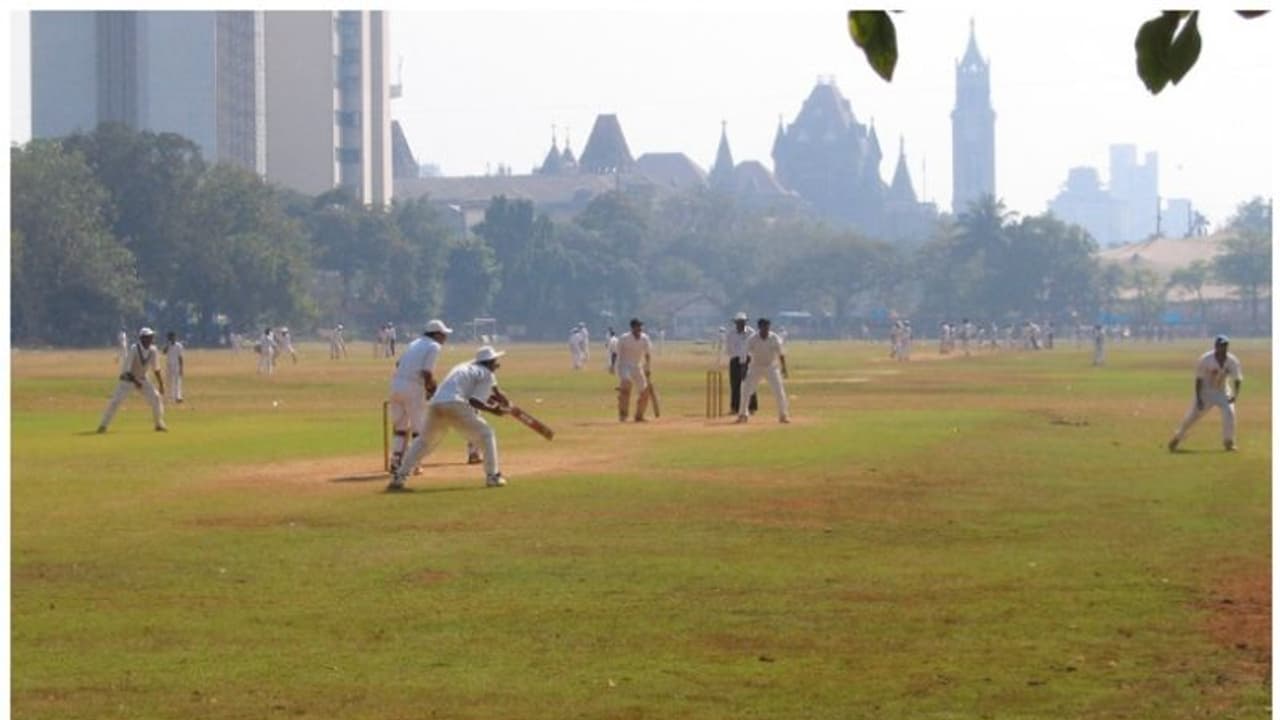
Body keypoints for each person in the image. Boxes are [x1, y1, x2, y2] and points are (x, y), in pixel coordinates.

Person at [388, 345, 511, 491]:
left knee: (424, 441)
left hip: (436, 404)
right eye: (495, 361)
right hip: (455, 404)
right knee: (486, 434)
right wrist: (495, 410)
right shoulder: (486, 374)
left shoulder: (464, 367)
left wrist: (505, 402)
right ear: (489, 362)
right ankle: (493, 476)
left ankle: (399, 477)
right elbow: (475, 402)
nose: (497, 365)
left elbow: (494, 392)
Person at [387, 319, 452, 475]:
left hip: (396, 385)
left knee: (400, 426)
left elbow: (398, 364)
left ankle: (396, 462)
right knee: (419, 428)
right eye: (444, 334)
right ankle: (414, 463)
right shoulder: (433, 346)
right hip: (413, 387)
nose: (445, 338)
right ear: (436, 334)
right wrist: (432, 390)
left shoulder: (414, 343)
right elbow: (427, 372)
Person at [1168, 336, 1243, 452]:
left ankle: (1229, 442)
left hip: (1223, 391)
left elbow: (1238, 379)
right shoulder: (1206, 359)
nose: (1223, 348)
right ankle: (1177, 438)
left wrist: (1235, 395)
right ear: (1216, 347)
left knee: (1230, 413)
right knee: (1192, 417)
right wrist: (1199, 398)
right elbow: (1199, 379)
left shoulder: (1232, 360)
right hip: (1205, 392)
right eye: (1221, 346)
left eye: (1225, 346)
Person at [97, 327, 167, 433]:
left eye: (151, 337)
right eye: (148, 337)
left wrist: (161, 384)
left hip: (142, 379)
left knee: (156, 398)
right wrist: (135, 381)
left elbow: (156, 368)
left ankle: (159, 424)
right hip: (127, 380)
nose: (150, 339)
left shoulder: (153, 350)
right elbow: (126, 370)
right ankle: (103, 425)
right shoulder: (134, 349)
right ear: (142, 338)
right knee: (115, 402)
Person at [736, 317, 790, 424]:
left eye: (767, 327)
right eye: (764, 327)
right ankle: (743, 414)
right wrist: (743, 368)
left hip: (771, 367)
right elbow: (744, 353)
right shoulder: (752, 338)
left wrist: (784, 368)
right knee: (746, 390)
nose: (766, 329)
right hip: (755, 366)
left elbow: (781, 353)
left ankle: (783, 415)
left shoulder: (774, 337)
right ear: (759, 327)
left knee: (779, 391)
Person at [614, 318, 653, 422]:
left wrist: (647, 368)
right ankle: (623, 415)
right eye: (637, 326)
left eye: (640, 326)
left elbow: (647, 354)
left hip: (637, 366)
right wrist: (612, 366)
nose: (640, 328)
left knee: (644, 391)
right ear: (632, 327)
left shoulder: (645, 338)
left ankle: (639, 416)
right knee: (626, 385)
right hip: (624, 365)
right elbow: (615, 352)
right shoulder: (624, 338)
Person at [724, 312, 758, 415]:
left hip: (748, 360)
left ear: (745, 322)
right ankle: (735, 407)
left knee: (750, 384)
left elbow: (754, 347)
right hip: (735, 359)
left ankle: (752, 407)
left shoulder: (751, 333)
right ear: (735, 323)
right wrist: (738, 356)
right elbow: (729, 349)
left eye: (742, 322)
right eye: (738, 323)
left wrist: (746, 358)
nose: (740, 325)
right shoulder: (730, 334)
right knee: (735, 384)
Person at [162, 331, 185, 403]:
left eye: (173, 337)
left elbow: (180, 357)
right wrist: (167, 345)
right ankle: (169, 397)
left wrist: (181, 368)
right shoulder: (168, 345)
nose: (172, 339)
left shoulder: (179, 346)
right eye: (170, 337)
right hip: (169, 365)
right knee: (169, 381)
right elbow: (164, 352)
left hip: (176, 365)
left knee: (177, 381)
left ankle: (178, 397)